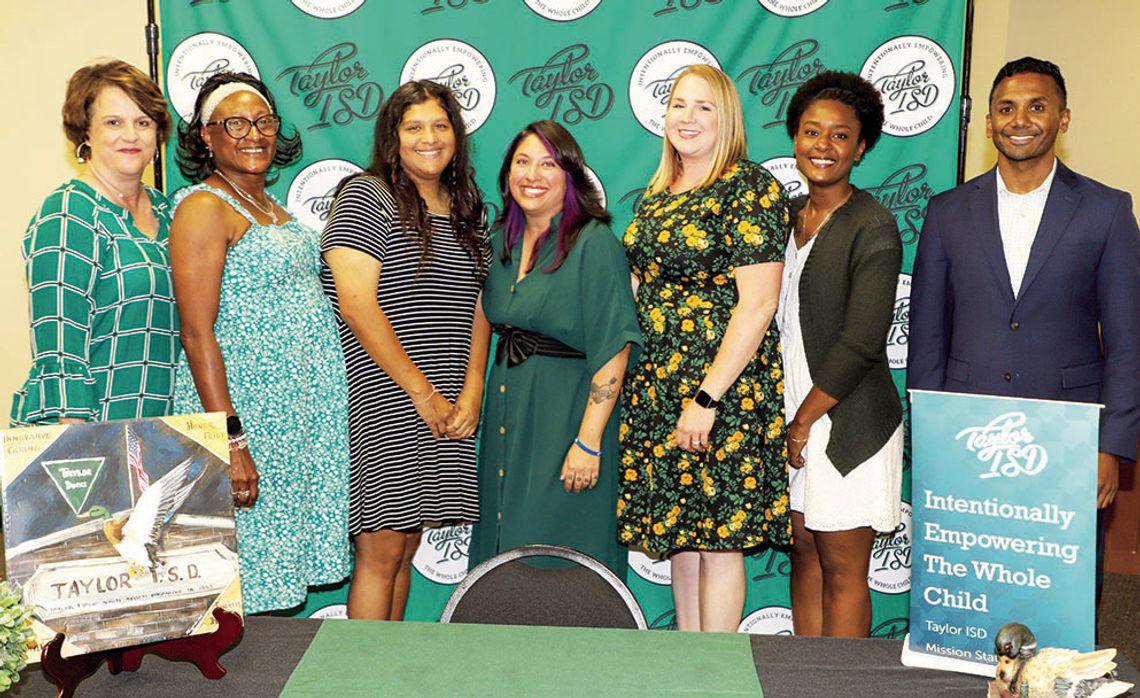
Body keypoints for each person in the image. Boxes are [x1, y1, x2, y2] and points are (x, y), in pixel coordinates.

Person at [908, 57, 1140, 605]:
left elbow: (1129, 345)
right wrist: (931, 439)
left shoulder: (1106, 211)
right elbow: (927, 341)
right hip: (968, 436)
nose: (1021, 119)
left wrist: (1112, 447)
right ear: (988, 122)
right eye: (1006, 108)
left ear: (1063, 119)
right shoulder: (946, 212)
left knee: (1060, 593)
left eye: (1038, 106)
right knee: (971, 585)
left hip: (1068, 442)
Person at [170, 72, 351, 614]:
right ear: (206, 136)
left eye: (264, 121)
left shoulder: (270, 206)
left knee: (271, 582)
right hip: (249, 418)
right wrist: (232, 440)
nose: (254, 134)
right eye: (236, 123)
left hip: (293, 421)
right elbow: (196, 332)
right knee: (240, 582)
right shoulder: (204, 207)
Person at [619, 64, 791, 632]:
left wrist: (707, 398)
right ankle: (686, 670)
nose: (687, 118)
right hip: (660, 388)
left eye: (703, 107)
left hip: (722, 392)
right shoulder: (655, 195)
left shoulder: (750, 187)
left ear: (727, 120)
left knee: (719, 539)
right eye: (678, 104)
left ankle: (716, 677)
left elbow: (759, 303)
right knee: (684, 543)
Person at [321, 81, 490, 620]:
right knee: (381, 548)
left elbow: (485, 304)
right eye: (414, 126)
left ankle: (385, 669)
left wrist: (471, 389)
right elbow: (356, 305)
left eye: (441, 125)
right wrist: (422, 394)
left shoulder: (464, 206)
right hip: (385, 394)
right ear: (393, 138)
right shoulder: (368, 194)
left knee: (408, 544)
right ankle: (364, 678)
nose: (429, 137)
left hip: (445, 397)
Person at [468, 120, 641, 577]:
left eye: (548, 163)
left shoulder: (594, 243)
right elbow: (486, 316)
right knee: (504, 551)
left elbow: (614, 349)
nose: (533, 174)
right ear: (507, 174)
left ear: (570, 176)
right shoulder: (500, 241)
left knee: (561, 551)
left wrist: (588, 442)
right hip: (508, 420)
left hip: (566, 420)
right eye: (522, 162)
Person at [779, 72, 903, 637]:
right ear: (794, 137)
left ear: (862, 146)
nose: (822, 147)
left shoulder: (873, 224)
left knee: (843, 565)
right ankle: (800, 679)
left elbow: (861, 342)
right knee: (804, 550)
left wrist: (804, 422)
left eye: (839, 136)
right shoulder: (785, 217)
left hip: (845, 420)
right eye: (811, 132)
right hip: (795, 416)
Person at [12, 60, 177, 427]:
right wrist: (77, 447)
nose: (131, 135)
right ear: (85, 132)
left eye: (143, 122)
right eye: (113, 122)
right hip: (91, 430)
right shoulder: (69, 211)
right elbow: (58, 340)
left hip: (163, 432)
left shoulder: (170, 213)